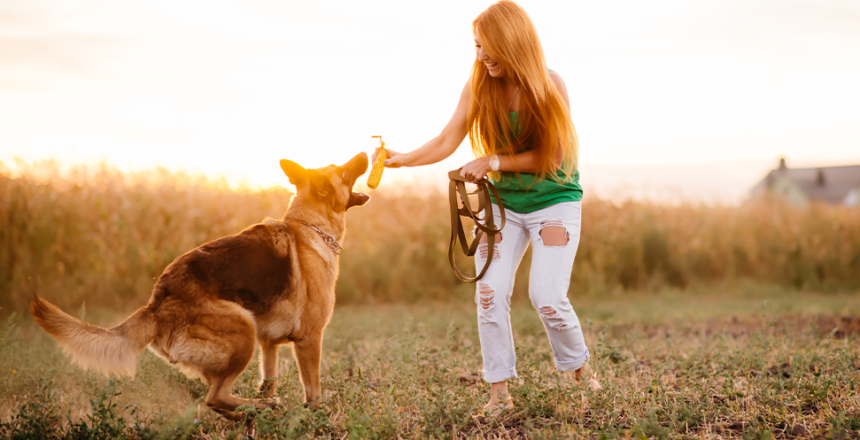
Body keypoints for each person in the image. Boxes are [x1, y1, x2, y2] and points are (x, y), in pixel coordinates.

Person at [374, 0, 600, 415]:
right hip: (504, 207)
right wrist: (403, 158)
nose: (481, 56)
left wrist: (494, 161)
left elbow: (553, 157)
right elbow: (446, 141)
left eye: (488, 46)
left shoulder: (550, 85)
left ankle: (579, 370)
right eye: (476, 46)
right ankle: (499, 395)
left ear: (513, 42)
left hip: (554, 203)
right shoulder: (478, 86)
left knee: (547, 296)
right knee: (489, 292)